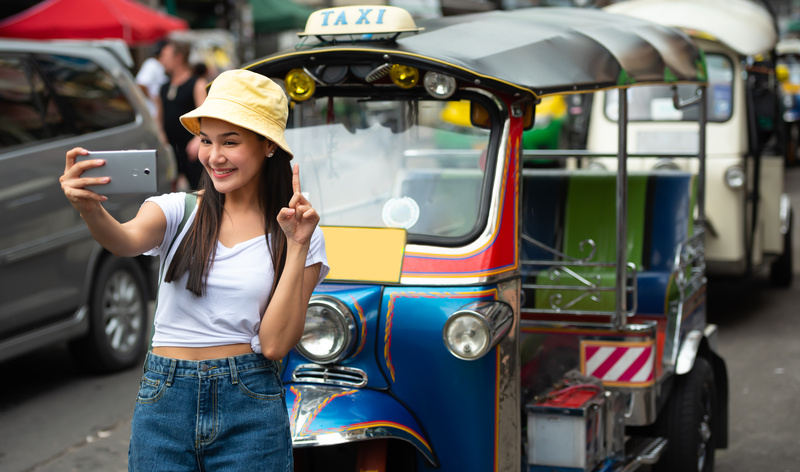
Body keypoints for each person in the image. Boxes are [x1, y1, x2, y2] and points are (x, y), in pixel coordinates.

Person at [60, 69, 329, 470]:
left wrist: (297, 246)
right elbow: (123, 240)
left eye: (230, 142)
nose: (214, 156)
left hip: (250, 402)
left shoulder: (299, 231)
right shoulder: (176, 210)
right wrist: (90, 209)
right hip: (164, 400)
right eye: (206, 141)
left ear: (268, 146)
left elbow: (274, 346)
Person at [156, 39, 208, 190]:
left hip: (191, 146)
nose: (161, 60)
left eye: (165, 55)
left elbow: (205, 114)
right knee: (169, 188)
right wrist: (162, 139)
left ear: (178, 57)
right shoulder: (164, 87)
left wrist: (198, 138)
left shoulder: (197, 83)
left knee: (198, 187)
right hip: (171, 147)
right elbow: (159, 117)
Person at [135, 40, 168, 119]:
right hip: (151, 112)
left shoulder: (161, 66)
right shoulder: (152, 64)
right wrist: (153, 100)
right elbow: (141, 85)